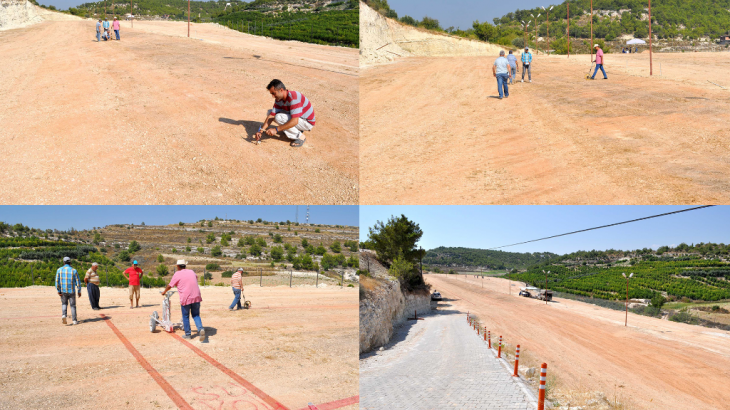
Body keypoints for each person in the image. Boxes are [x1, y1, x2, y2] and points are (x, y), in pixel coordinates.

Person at [255, 79, 316, 148]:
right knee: (270, 112)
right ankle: (295, 129)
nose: (273, 96)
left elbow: (295, 121)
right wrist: (261, 131)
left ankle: (300, 137)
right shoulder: (279, 99)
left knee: (279, 117)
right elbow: (271, 115)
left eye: (274, 93)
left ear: (281, 90)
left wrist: (276, 129)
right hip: (298, 118)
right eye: (271, 94)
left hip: (306, 122)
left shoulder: (294, 98)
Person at [162, 260, 206, 341]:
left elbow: (170, 285)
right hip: (196, 296)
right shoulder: (192, 272)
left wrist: (164, 292)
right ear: (185, 266)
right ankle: (201, 329)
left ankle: (188, 334)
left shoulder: (177, 274)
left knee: (185, 316)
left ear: (178, 266)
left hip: (186, 298)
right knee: (196, 315)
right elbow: (195, 278)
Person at [55, 257, 82, 325]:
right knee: (73, 305)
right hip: (71, 291)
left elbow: (57, 281)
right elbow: (78, 281)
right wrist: (79, 290)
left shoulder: (59, 270)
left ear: (63, 262)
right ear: (70, 262)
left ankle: (64, 315)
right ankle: (74, 320)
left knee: (64, 304)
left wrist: (58, 290)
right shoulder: (74, 270)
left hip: (63, 290)